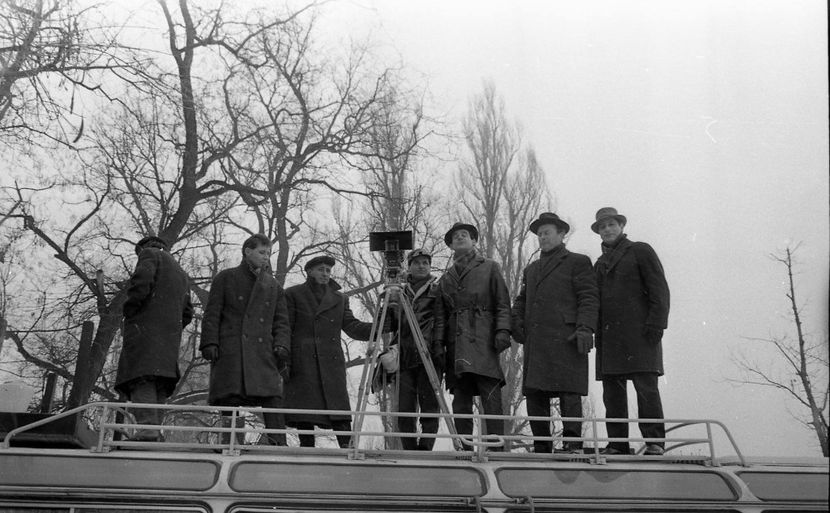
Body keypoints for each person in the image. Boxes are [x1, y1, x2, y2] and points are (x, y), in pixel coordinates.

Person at [511, 213, 599, 454]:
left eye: (547, 232)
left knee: (569, 391)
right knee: (535, 393)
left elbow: (589, 297)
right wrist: (516, 320)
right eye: (539, 234)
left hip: (567, 339)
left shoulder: (578, 262)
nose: (542, 237)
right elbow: (522, 300)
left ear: (562, 234)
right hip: (537, 341)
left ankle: (572, 443)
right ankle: (542, 444)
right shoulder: (532, 269)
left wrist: (585, 328)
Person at [592, 207, 670, 456]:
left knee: (646, 389)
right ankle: (617, 444)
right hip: (610, 338)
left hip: (641, 333)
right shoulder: (600, 263)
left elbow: (659, 289)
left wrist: (657, 324)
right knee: (612, 394)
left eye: (611, 224)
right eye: (602, 226)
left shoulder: (640, 250)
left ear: (622, 226)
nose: (607, 230)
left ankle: (655, 441)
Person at [200, 234, 291, 446]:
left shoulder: (273, 286)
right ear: (247, 251)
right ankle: (231, 444)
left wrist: (282, 344)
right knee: (231, 399)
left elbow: (282, 321)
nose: (266, 257)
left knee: (272, 397)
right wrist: (209, 342)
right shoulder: (225, 278)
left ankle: (278, 443)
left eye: (268, 253)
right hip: (232, 350)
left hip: (263, 352)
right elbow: (212, 313)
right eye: (261, 252)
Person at [283, 255, 374, 448]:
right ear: (309, 272)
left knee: (339, 414)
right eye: (321, 269)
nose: (325, 274)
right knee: (304, 417)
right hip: (303, 362)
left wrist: (380, 326)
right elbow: (285, 329)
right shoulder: (293, 294)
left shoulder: (340, 299)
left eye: (328, 270)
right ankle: (306, 456)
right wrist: (284, 360)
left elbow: (352, 327)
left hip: (331, 364)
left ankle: (350, 453)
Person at [438, 222, 511, 447]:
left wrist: (502, 330)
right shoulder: (445, 278)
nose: (460, 238)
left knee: (491, 394)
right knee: (460, 398)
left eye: (465, 235)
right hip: (457, 343)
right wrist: (438, 344)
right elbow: (440, 316)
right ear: (450, 245)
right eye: (455, 236)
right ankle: (464, 447)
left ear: (474, 240)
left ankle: (497, 446)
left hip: (483, 338)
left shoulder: (490, 267)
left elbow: (502, 302)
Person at [115, 235, 194, 442]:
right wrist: (169, 325)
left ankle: (147, 430)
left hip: (145, 332)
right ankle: (155, 432)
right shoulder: (181, 272)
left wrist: (130, 310)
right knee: (158, 383)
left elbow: (142, 283)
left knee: (141, 378)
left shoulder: (149, 255)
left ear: (142, 248)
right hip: (168, 338)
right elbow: (187, 313)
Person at [385, 248, 446, 450]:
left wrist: (437, 346)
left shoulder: (437, 289)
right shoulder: (399, 290)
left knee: (430, 406)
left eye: (425, 263)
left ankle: (426, 447)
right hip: (404, 356)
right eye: (417, 262)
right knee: (404, 408)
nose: (421, 266)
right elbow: (390, 322)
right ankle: (409, 449)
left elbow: (440, 321)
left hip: (428, 355)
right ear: (409, 266)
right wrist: (388, 301)